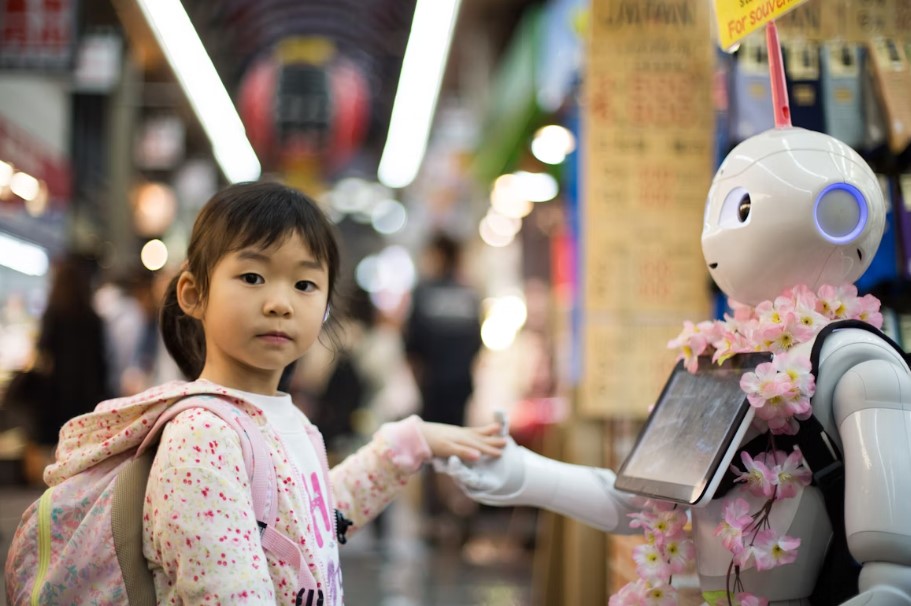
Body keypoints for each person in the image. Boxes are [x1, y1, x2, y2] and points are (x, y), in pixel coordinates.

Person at [39, 181, 505, 604]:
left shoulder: (284, 418)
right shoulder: (202, 436)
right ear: (193, 294)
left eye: (304, 284)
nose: (280, 303)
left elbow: (309, 523)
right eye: (252, 277)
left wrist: (411, 443)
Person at [404, 232, 483, 541]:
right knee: (459, 447)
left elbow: (411, 346)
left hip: (432, 386)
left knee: (431, 449)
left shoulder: (424, 293)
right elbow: (477, 345)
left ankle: (436, 516)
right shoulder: (469, 295)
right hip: (461, 386)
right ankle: (460, 511)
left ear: (438, 255)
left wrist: (419, 381)